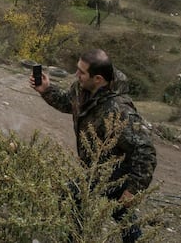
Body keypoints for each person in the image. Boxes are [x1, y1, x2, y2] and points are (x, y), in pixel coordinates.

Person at [30, 49, 157, 243]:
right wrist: (47, 90)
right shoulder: (82, 89)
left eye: (81, 72)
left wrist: (133, 189)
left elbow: (145, 150)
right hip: (96, 166)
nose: (76, 75)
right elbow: (67, 102)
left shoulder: (118, 110)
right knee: (120, 213)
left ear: (98, 78)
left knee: (72, 197)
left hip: (116, 171)